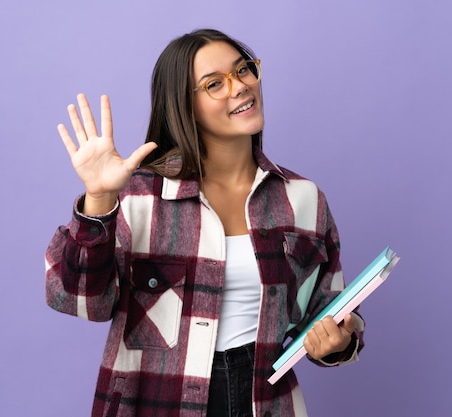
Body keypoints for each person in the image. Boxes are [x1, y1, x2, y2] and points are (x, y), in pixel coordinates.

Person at [45, 28, 365, 417]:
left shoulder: (303, 198)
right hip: (158, 400)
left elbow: (329, 309)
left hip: (266, 402)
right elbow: (79, 300)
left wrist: (339, 341)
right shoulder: (139, 197)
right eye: (215, 83)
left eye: (243, 70)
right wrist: (98, 199)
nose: (240, 87)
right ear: (184, 105)